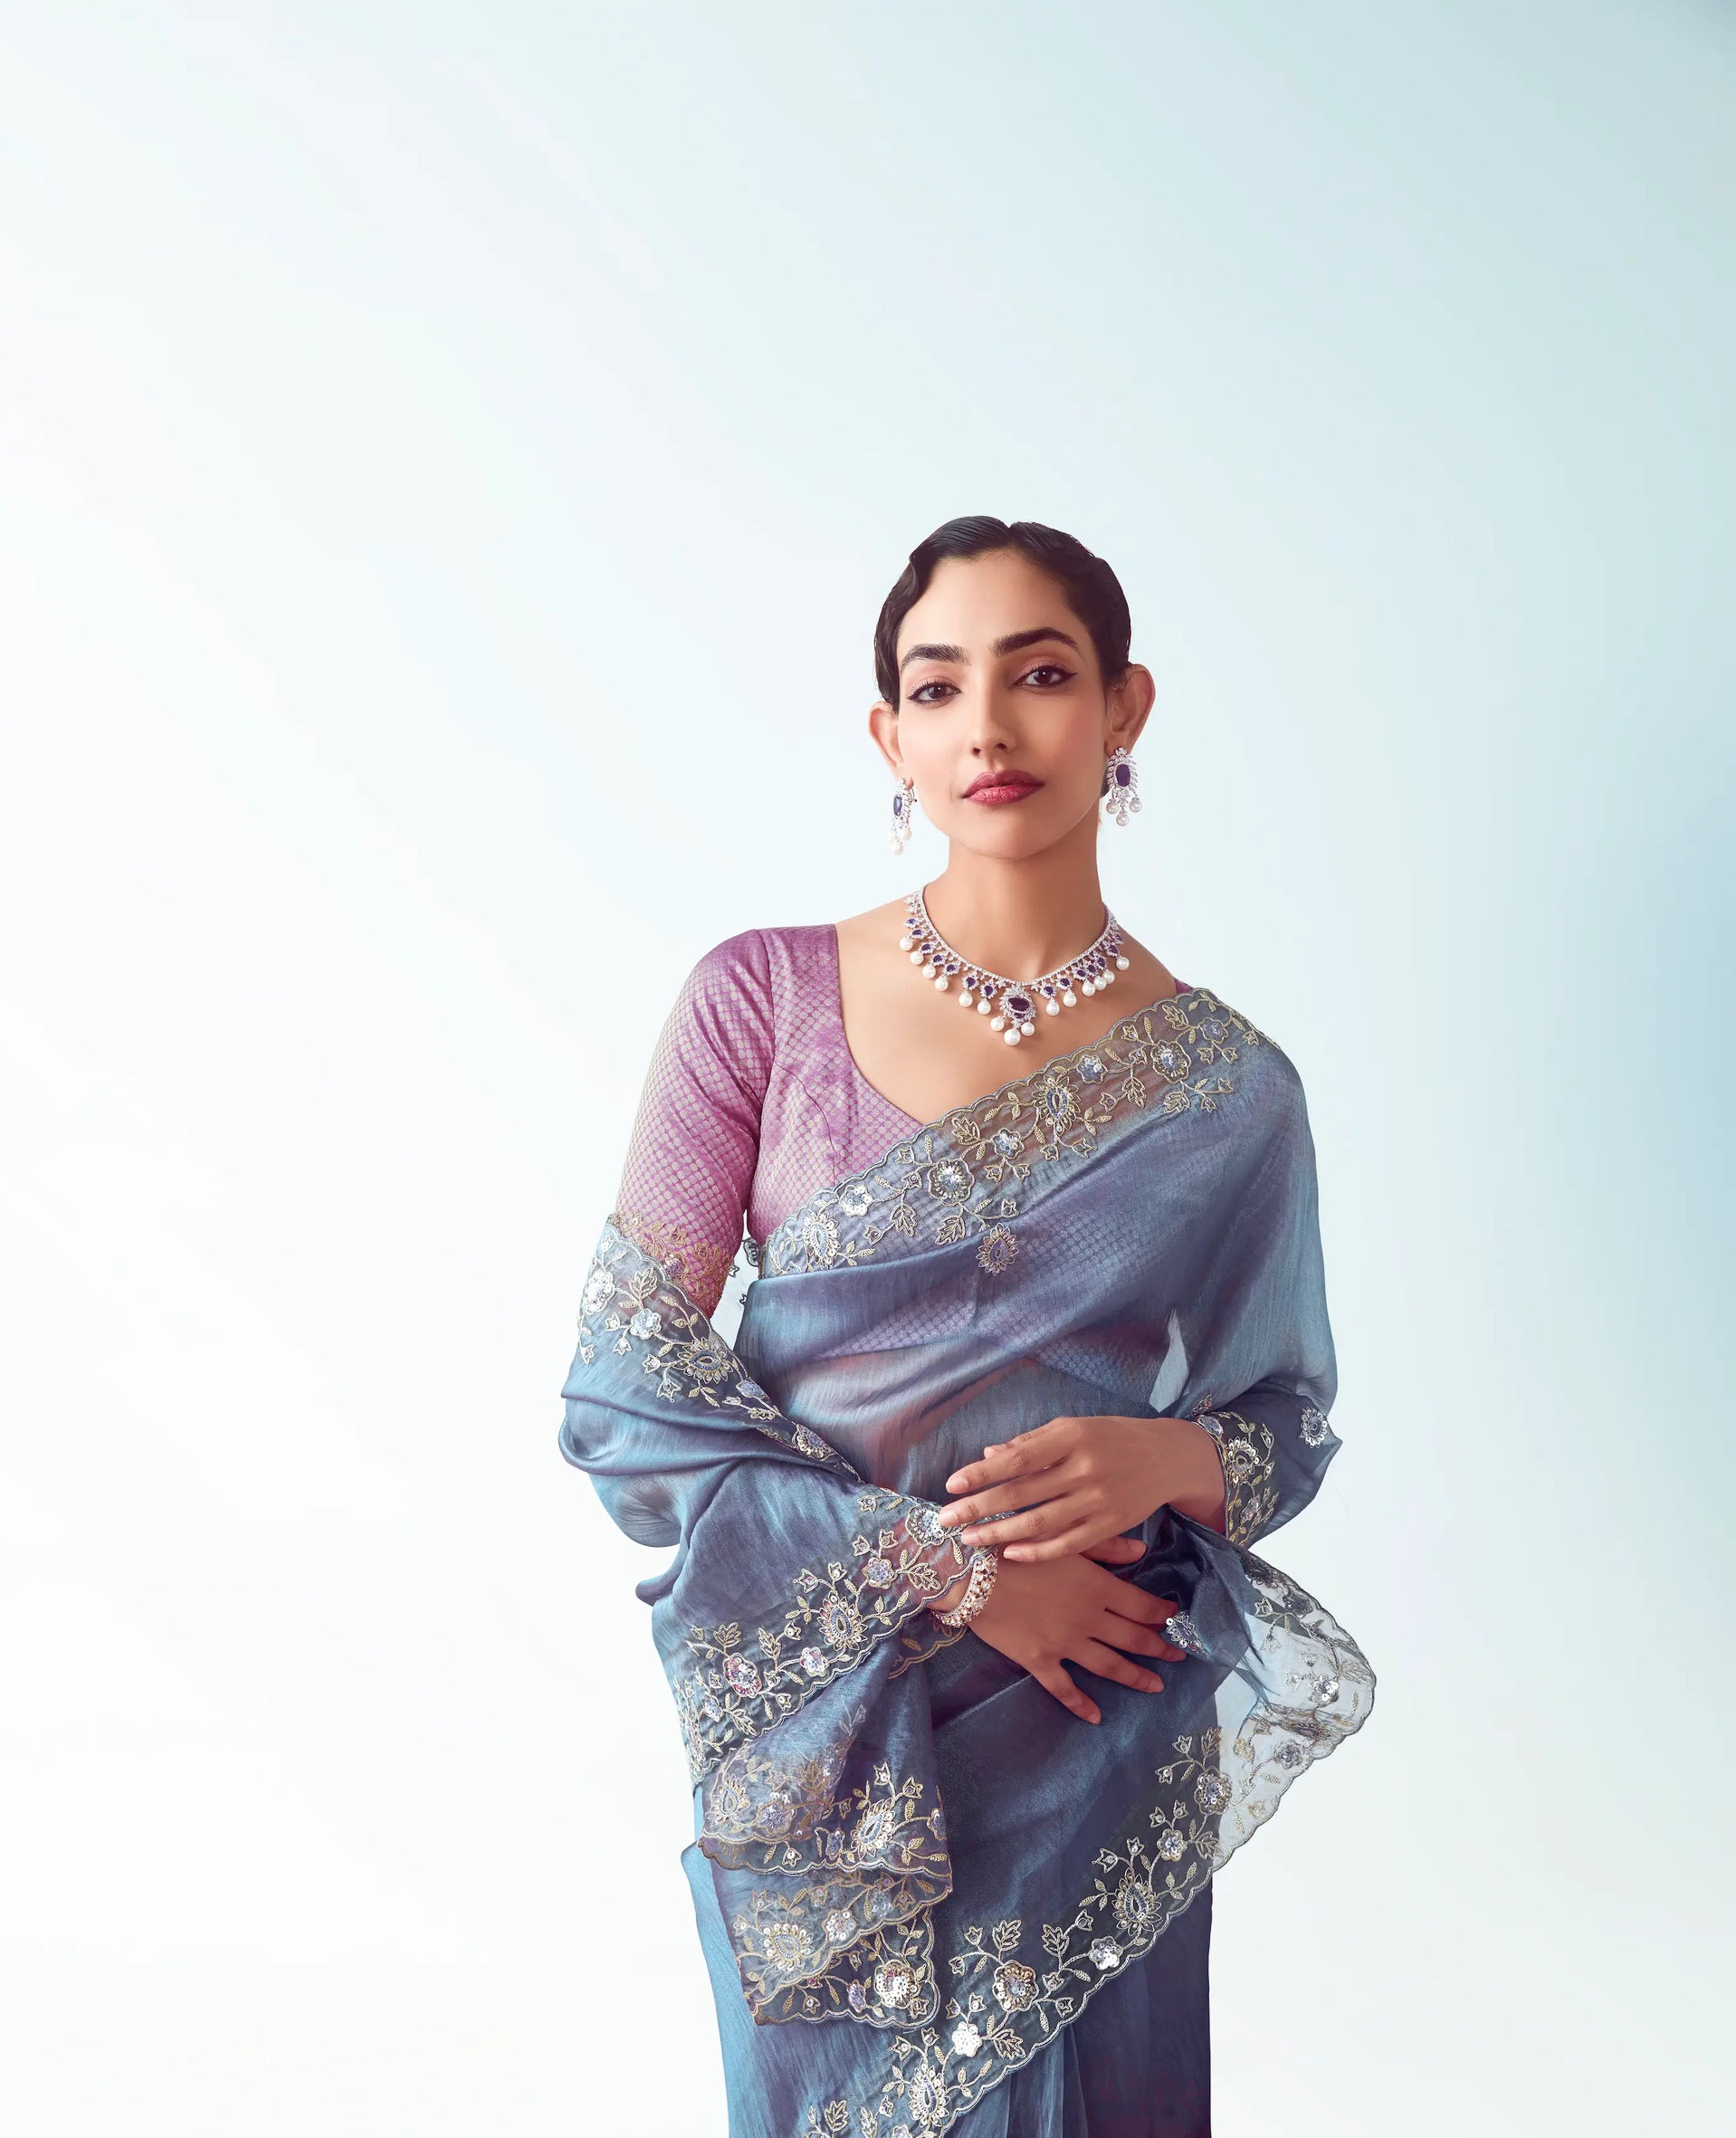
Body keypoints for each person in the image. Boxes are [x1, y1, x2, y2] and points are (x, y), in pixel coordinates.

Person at [559, 516, 1375, 2136]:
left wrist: (1170, 1457)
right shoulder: (761, 1003)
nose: (987, 726)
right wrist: (951, 1572)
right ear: (890, 736)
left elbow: (1286, 1419)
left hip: (1092, 1713)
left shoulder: (1229, 1093)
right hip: (829, 1729)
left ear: (1124, 706)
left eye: (1040, 674)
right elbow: (626, 1390)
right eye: (937, 687)